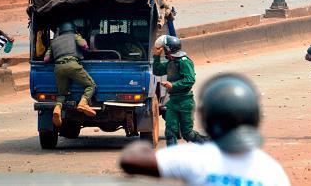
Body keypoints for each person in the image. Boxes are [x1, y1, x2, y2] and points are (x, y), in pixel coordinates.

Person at [119, 73, 290, 186]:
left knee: (187, 133)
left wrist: (143, 142)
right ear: (256, 119)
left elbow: (130, 159)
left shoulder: (195, 158)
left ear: (206, 118)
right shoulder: (272, 172)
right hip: (177, 104)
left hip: (181, 103)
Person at [152, 35, 207, 146]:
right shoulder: (171, 62)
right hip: (173, 102)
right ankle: (171, 159)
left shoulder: (184, 62)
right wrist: (156, 56)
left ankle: (210, 145)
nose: (164, 52)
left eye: (164, 49)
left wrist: (173, 85)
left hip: (185, 101)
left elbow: (190, 79)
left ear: (168, 49)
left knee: (188, 134)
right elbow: (157, 71)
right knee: (170, 132)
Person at [43, 22, 96, 127]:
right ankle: (83, 103)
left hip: (58, 68)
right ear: (73, 29)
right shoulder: (75, 36)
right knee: (90, 85)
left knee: (62, 94)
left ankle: (57, 108)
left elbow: (46, 59)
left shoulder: (54, 42)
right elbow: (85, 46)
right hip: (72, 65)